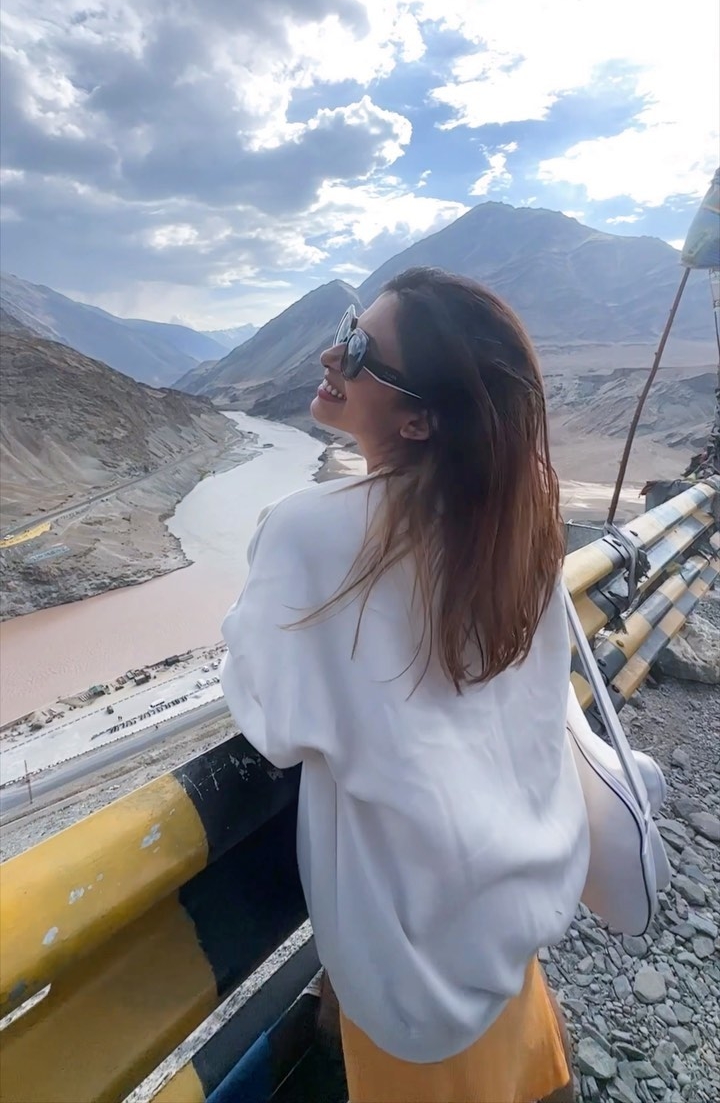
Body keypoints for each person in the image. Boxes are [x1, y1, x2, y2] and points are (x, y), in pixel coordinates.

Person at [221, 267, 590, 1103]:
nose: (331, 356)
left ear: (418, 419)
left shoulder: (309, 531)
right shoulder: (518, 536)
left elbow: (272, 719)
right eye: (346, 330)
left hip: (407, 952)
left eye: (357, 350)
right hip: (511, 914)